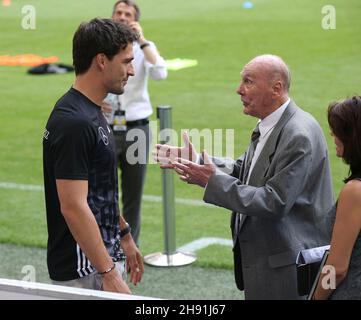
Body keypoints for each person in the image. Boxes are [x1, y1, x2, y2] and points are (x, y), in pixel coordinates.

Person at [154, 54, 335, 300]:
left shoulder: (297, 135)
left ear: (276, 88)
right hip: (273, 264)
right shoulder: (273, 123)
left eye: (248, 82)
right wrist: (198, 160)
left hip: (286, 270)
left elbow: (275, 201)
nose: (239, 90)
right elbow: (246, 169)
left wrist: (211, 180)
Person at [42, 18, 144, 294]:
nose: (132, 71)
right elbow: (73, 206)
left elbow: (99, 189)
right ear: (101, 60)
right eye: (125, 62)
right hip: (85, 270)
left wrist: (124, 234)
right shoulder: (74, 122)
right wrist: (108, 273)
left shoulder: (91, 111)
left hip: (99, 261)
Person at [102, 0, 168, 246]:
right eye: (118, 12)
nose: (121, 16)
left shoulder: (142, 48)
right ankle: (104, 250)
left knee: (133, 197)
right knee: (102, 192)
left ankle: (131, 251)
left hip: (136, 127)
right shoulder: (100, 46)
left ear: (135, 20)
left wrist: (142, 40)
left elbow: (161, 72)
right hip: (105, 126)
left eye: (127, 14)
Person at [313, 96, 361, 300]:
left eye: (338, 130)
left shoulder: (355, 191)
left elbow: (337, 268)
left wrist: (317, 297)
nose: (332, 134)